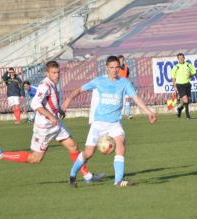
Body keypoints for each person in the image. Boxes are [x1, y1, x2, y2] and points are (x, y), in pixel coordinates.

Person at [0, 61, 105, 183]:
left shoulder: (53, 84)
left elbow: (49, 103)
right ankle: (1, 155)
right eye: (53, 73)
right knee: (35, 159)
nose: (57, 75)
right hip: (44, 128)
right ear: (47, 73)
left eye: (58, 72)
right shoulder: (45, 86)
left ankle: (87, 176)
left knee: (73, 146)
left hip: (55, 124)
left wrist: (58, 111)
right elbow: (34, 103)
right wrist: (51, 117)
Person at [61, 56, 157, 188]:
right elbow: (79, 90)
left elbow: (135, 97)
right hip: (99, 123)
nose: (114, 70)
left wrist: (148, 111)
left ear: (119, 68)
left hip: (114, 123)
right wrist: (68, 100)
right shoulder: (99, 81)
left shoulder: (124, 82)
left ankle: (118, 181)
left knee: (121, 144)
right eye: (111, 68)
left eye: (117, 67)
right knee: (88, 153)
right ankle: (72, 175)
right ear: (106, 68)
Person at [171, 53, 196, 119]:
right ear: (178, 59)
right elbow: (173, 77)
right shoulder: (176, 67)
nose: (181, 59)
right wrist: (174, 86)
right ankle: (188, 116)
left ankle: (179, 108)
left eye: (182, 58)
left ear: (184, 58)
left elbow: (194, 73)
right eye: (179, 58)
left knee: (188, 100)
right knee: (185, 100)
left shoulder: (188, 65)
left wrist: (190, 75)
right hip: (180, 85)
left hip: (187, 84)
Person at [118, 55, 132, 119]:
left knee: (128, 100)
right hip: (119, 86)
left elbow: (127, 76)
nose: (121, 61)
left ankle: (128, 114)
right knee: (120, 101)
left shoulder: (126, 67)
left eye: (122, 60)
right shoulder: (117, 68)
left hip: (126, 86)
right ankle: (119, 115)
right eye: (120, 60)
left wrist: (129, 82)